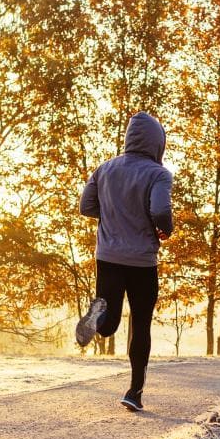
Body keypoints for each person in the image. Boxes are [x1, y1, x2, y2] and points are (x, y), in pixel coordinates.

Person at [76, 112, 174, 411]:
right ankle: (134, 392)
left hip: (108, 257)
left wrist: (114, 218)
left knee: (109, 324)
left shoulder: (105, 169)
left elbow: (86, 206)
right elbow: (159, 210)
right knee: (140, 325)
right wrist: (166, 228)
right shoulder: (159, 174)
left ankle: (96, 316)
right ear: (158, 142)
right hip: (142, 261)